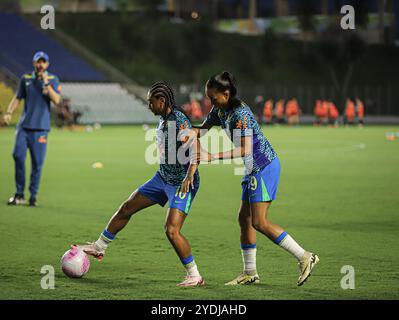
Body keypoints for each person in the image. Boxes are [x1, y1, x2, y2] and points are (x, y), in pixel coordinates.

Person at [186, 71, 319, 286]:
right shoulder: (219, 110)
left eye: (213, 97)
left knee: (259, 222)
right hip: (252, 170)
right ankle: (250, 273)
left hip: (264, 167)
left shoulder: (241, 114)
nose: (210, 102)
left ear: (226, 94)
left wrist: (211, 156)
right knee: (244, 219)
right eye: (208, 98)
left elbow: (245, 149)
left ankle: (305, 256)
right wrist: (185, 130)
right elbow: (202, 130)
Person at [78, 82, 205, 287]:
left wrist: (190, 175)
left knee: (171, 230)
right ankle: (99, 246)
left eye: (151, 102)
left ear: (162, 101)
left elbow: (196, 146)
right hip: (162, 177)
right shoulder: (164, 120)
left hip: (181, 183)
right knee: (127, 207)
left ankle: (195, 275)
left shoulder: (177, 121)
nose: (149, 106)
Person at [3, 51, 62, 206]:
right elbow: (18, 98)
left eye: (43, 62)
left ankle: (33, 196)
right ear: (33, 63)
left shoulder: (53, 79)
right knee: (18, 156)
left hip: (41, 129)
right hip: (23, 127)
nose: (40, 65)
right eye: (38, 62)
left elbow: (56, 100)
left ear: (47, 64)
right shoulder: (26, 78)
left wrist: (46, 84)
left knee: (37, 164)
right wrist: (9, 112)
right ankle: (19, 194)